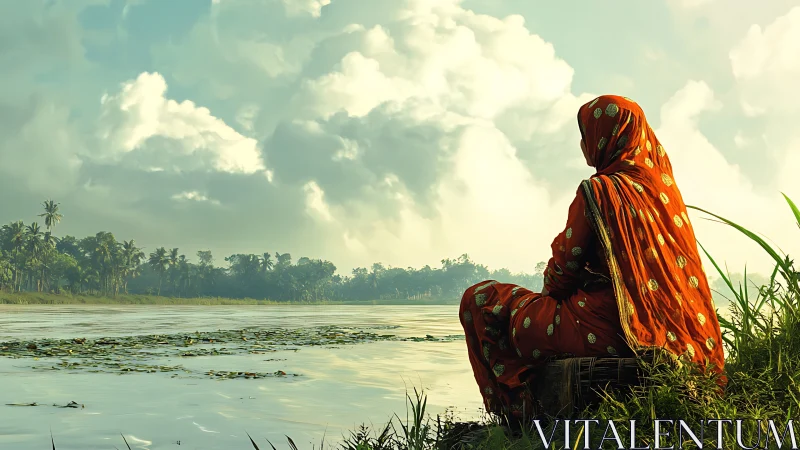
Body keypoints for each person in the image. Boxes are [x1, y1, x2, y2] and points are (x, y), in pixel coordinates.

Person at [459, 95, 725, 422]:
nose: (583, 144)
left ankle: (518, 414)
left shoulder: (600, 191)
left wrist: (559, 296)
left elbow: (560, 275)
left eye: (585, 135)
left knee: (483, 299)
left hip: (607, 327)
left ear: (603, 138)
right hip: (670, 333)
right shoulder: (664, 193)